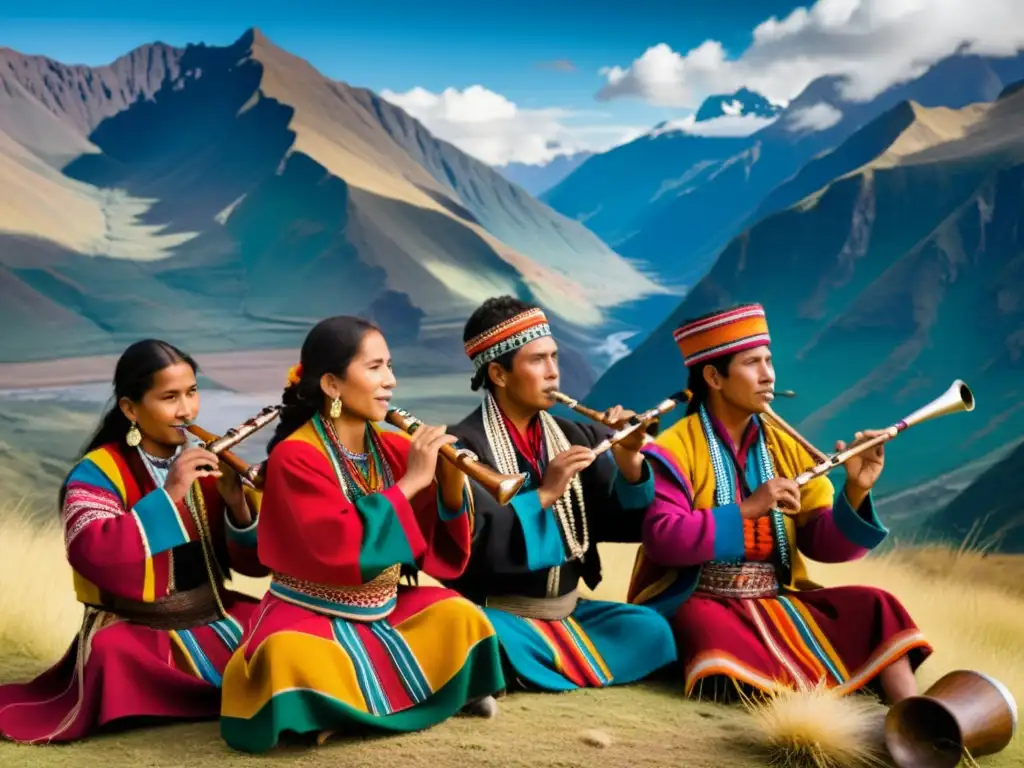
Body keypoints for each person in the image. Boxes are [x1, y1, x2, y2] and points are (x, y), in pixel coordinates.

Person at [218, 315, 506, 754]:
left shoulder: (390, 446)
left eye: (389, 366)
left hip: (383, 608)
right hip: (309, 611)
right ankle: (379, 703)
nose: (390, 380)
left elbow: (431, 537)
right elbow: (339, 542)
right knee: (286, 655)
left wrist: (449, 481)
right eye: (374, 368)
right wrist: (410, 483)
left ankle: (342, 713)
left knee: (461, 617)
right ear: (332, 385)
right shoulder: (294, 457)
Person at [627, 303, 933, 703]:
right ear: (714, 377)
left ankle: (910, 713)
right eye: (752, 363)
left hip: (776, 599)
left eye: (769, 361)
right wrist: (747, 510)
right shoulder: (674, 449)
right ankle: (818, 701)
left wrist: (855, 491)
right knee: (704, 626)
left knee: (878, 605)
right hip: (698, 599)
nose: (768, 374)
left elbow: (824, 545)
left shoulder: (786, 448)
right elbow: (663, 539)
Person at [0, 340, 268, 744]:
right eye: (170, 397)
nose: (187, 411)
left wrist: (236, 504)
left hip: (212, 614)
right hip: (137, 629)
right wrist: (170, 494)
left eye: (192, 392)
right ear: (130, 409)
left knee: (279, 627)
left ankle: (191, 690)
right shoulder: (97, 472)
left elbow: (253, 564)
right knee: (111, 654)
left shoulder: (206, 466)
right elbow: (92, 552)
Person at [441, 296, 677, 693]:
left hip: (571, 611)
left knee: (652, 630)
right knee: (478, 636)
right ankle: (525, 662)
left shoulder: (575, 435)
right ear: (498, 374)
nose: (553, 373)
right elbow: (473, 548)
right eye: (537, 361)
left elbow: (623, 521)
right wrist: (546, 493)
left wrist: (628, 458)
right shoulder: (464, 448)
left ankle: (532, 667)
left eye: (554, 358)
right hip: (501, 614)